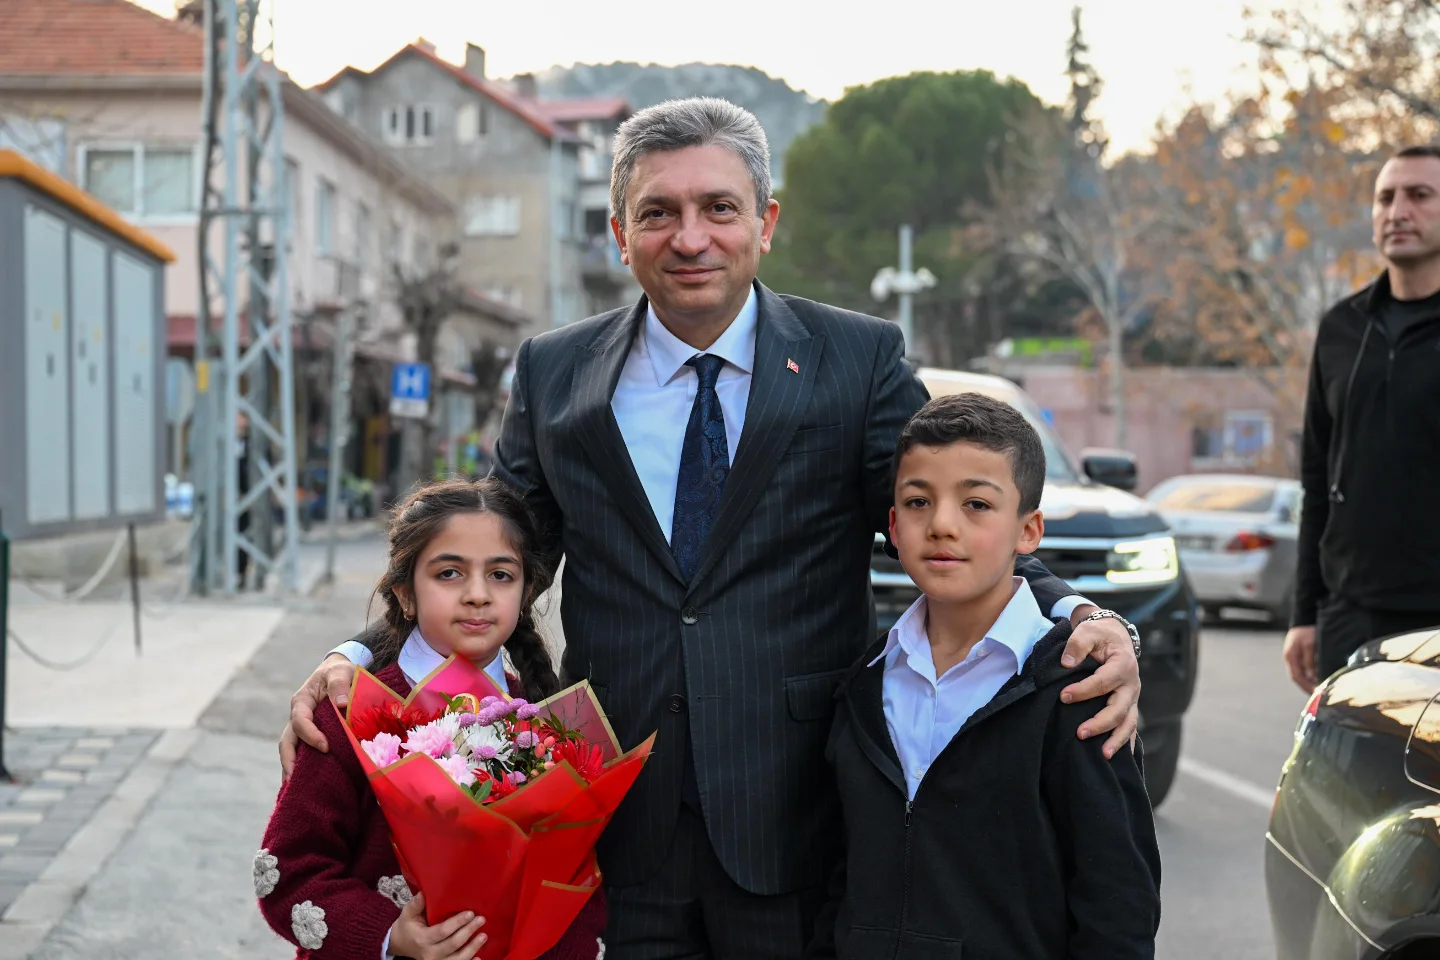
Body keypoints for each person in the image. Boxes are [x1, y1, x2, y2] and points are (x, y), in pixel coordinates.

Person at [282, 98, 1144, 959]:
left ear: (764, 222)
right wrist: (358, 659)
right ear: (621, 234)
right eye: (658, 213)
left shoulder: (857, 360)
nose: (690, 238)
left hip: (799, 823)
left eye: (718, 209)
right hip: (604, 826)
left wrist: (1076, 614)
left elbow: (947, 520)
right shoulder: (556, 372)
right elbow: (492, 552)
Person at [811, 393, 1160, 959]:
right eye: (919, 502)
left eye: (976, 504)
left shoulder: (1074, 691)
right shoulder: (864, 686)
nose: (943, 525)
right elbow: (839, 878)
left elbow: (1118, 902)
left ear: (1029, 532)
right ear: (893, 527)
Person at [255, 478, 606, 960]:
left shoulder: (546, 726)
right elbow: (289, 870)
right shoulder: (345, 715)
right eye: (449, 574)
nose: (478, 595)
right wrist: (388, 935)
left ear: (526, 592)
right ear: (403, 594)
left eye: (501, 575)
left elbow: (575, 886)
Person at [1283, 144, 1440, 691]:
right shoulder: (1341, 329)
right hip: (1350, 618)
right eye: (1385, 198)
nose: (1398, 212)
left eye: (1420, 196)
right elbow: (1316, 480)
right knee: (1342, 778)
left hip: (1436, 622)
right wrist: (1306, 614)